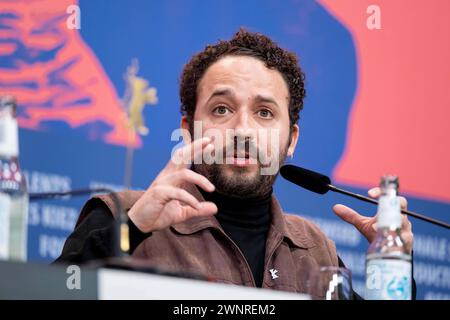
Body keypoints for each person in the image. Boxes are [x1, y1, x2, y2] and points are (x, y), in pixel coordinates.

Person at [55, 29, 414, 299]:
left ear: (291, 141)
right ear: (188, 132)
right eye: (222, 109)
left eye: (264, 112)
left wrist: (395, 262)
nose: (242, 129)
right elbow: (48, 292)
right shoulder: (122, 214)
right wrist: (132, 229)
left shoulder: (316, 250)